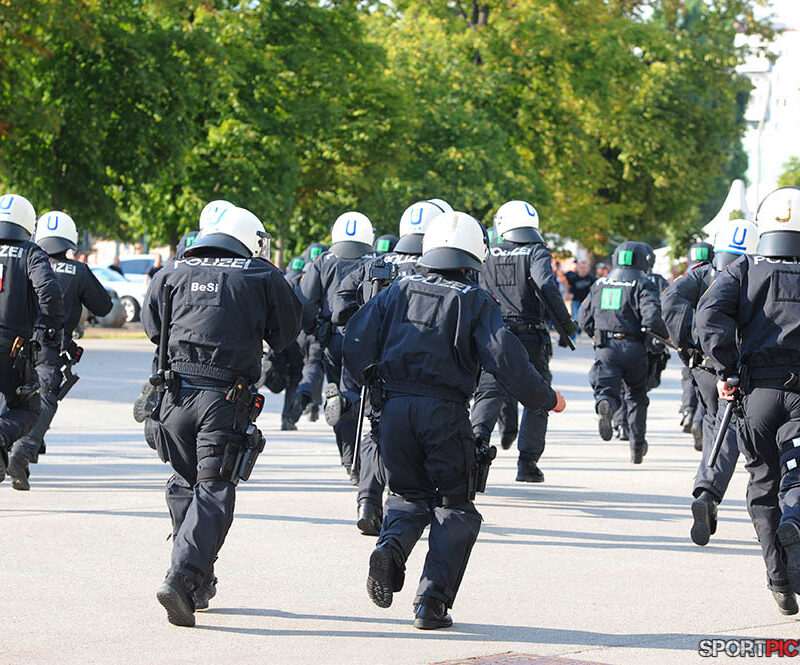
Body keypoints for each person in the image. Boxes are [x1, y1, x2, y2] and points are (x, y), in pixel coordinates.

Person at [343, 211, 566, 629]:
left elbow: (355, 338)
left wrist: (365, 389)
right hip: (443, 414)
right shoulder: (474, 299)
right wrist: (546, 398)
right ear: (473, 255)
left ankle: (390, 547)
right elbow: (507, 360)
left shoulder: (396, 290)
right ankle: (431, 603)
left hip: (393, 409)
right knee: (455, 506)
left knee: (408, 497)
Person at [143, 205, 302, 627]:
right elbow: (285, 334)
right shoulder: (260, 274)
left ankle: (199, 579)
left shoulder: (170, 272)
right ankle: (181, 577)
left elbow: (153, 329)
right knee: (214, 490)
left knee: (184, 483)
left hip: (173, 398)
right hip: (222, 400)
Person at [695, 186, 800, 616]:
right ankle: (795, 519)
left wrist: (725, 369)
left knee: (762, 486)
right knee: (797, 475)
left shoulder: (744, 267)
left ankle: (778, 577)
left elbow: (707, 314)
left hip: (754, 393)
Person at [333, 199, 452, 536]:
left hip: (377, 363)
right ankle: (410, 502)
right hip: (424, 368)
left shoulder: (376, 264)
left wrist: (360, 333)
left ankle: (367, 501)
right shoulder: (438, 269)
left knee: (374, 429)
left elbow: (340, 307)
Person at [662, 220, 758, 546]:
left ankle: (707, 493)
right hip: (740, 369)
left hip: (703, 366)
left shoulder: (702, 273)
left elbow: (671, 298)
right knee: (731, 427)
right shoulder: (755, 272)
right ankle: (709, 493)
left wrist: (688, 341)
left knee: (716, 421)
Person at [470, 200, 577, 483]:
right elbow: (546, 285)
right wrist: (566, 326)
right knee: (537, 397)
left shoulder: (486, 252)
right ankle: (527, 463)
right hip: (529, 335)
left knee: (488, 394)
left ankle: (474, 451)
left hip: (492, 333)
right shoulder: (536, 251)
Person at [6, 211, 112, 490]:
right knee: (43, 400)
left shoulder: (23, 256)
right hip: (51, 345)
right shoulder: (78, 270)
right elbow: (104, 307)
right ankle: (22, 452)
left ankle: (10, 448)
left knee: (13, 395)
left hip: (19, 341)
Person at [292, 212, 375, 482]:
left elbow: (303, 301)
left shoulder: (322, 261)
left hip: (334, 341)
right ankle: (373, 457)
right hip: (369, 340)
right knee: (372, 401)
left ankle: (350, 459)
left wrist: (314, 329)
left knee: (339, 398)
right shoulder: (378, 262)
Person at [579, 241, 668, 464]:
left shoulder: (600, 282)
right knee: (637, 396)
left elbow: (583, 317)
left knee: (607, 389)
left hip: (606, 347)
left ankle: (604, 404)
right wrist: (663, 337)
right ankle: (637, 448)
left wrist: (596, 335)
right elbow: (652, 319)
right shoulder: (643, 283)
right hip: (634, 348)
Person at [0, 194, 64, 481]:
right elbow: (49, 290)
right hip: (11, 348)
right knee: (28, 409)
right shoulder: (30, 252)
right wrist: (50, 324)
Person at [564, 260, 595, 331]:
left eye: (585, 267)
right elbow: (567, 285)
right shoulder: (574, 278)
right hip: (576, 301)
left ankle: (578, 332)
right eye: (581, 267)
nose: (583, 269)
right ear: (578, 268)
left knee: (584, 319)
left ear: (588, 269)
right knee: (576, 318)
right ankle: (572, 337)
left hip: (586, 302)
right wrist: (567, 294)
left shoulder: (591, 279)